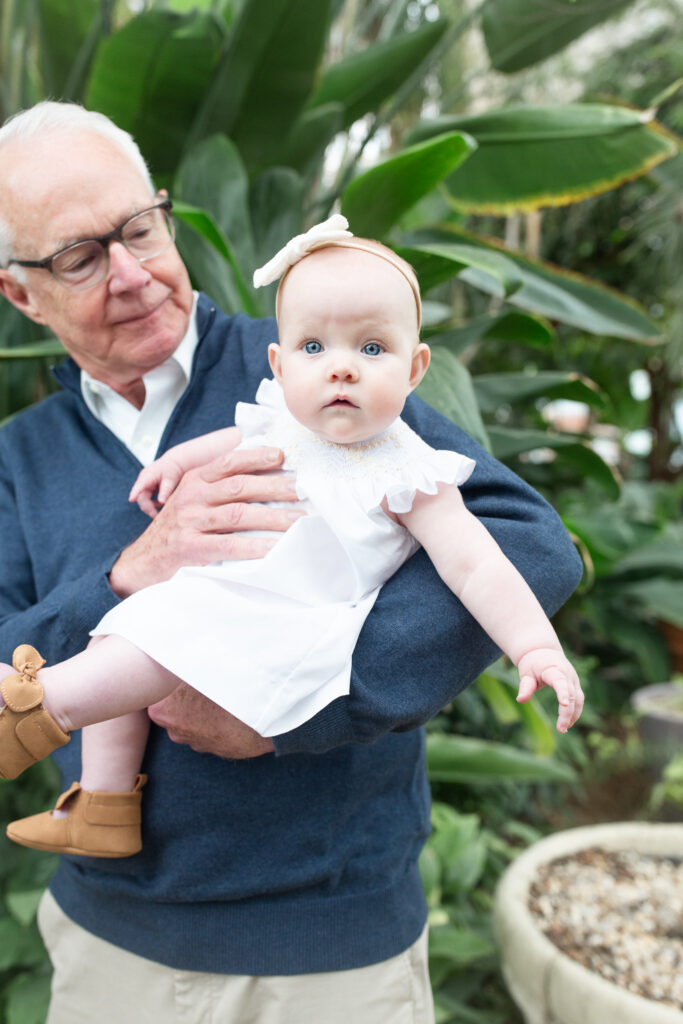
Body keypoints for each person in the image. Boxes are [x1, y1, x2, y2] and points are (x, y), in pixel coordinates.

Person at [0, 101, 583, 1024]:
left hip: (332, 948)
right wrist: (125, 575)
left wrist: (289, 707)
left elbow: (528, 546)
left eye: (141, 229)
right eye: (79, 256)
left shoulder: (324, 367)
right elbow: (8, 648)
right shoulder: (18, 459)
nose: (133, 273)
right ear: (22, 294)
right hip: (112, 950)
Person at [1, 215, 583, 861]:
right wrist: (175, 462)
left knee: (150, 642)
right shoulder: (287, 421)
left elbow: (476, 565)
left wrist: (533, 648)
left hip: (294, 624)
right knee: (122, 629)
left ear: (414, 368)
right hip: (237, 595)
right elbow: (240, 438)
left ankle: (38, 706)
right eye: (313, 349)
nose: (340, 370)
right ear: (277, 366)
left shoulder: (410, 468)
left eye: (370, 349)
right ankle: (103, 804)